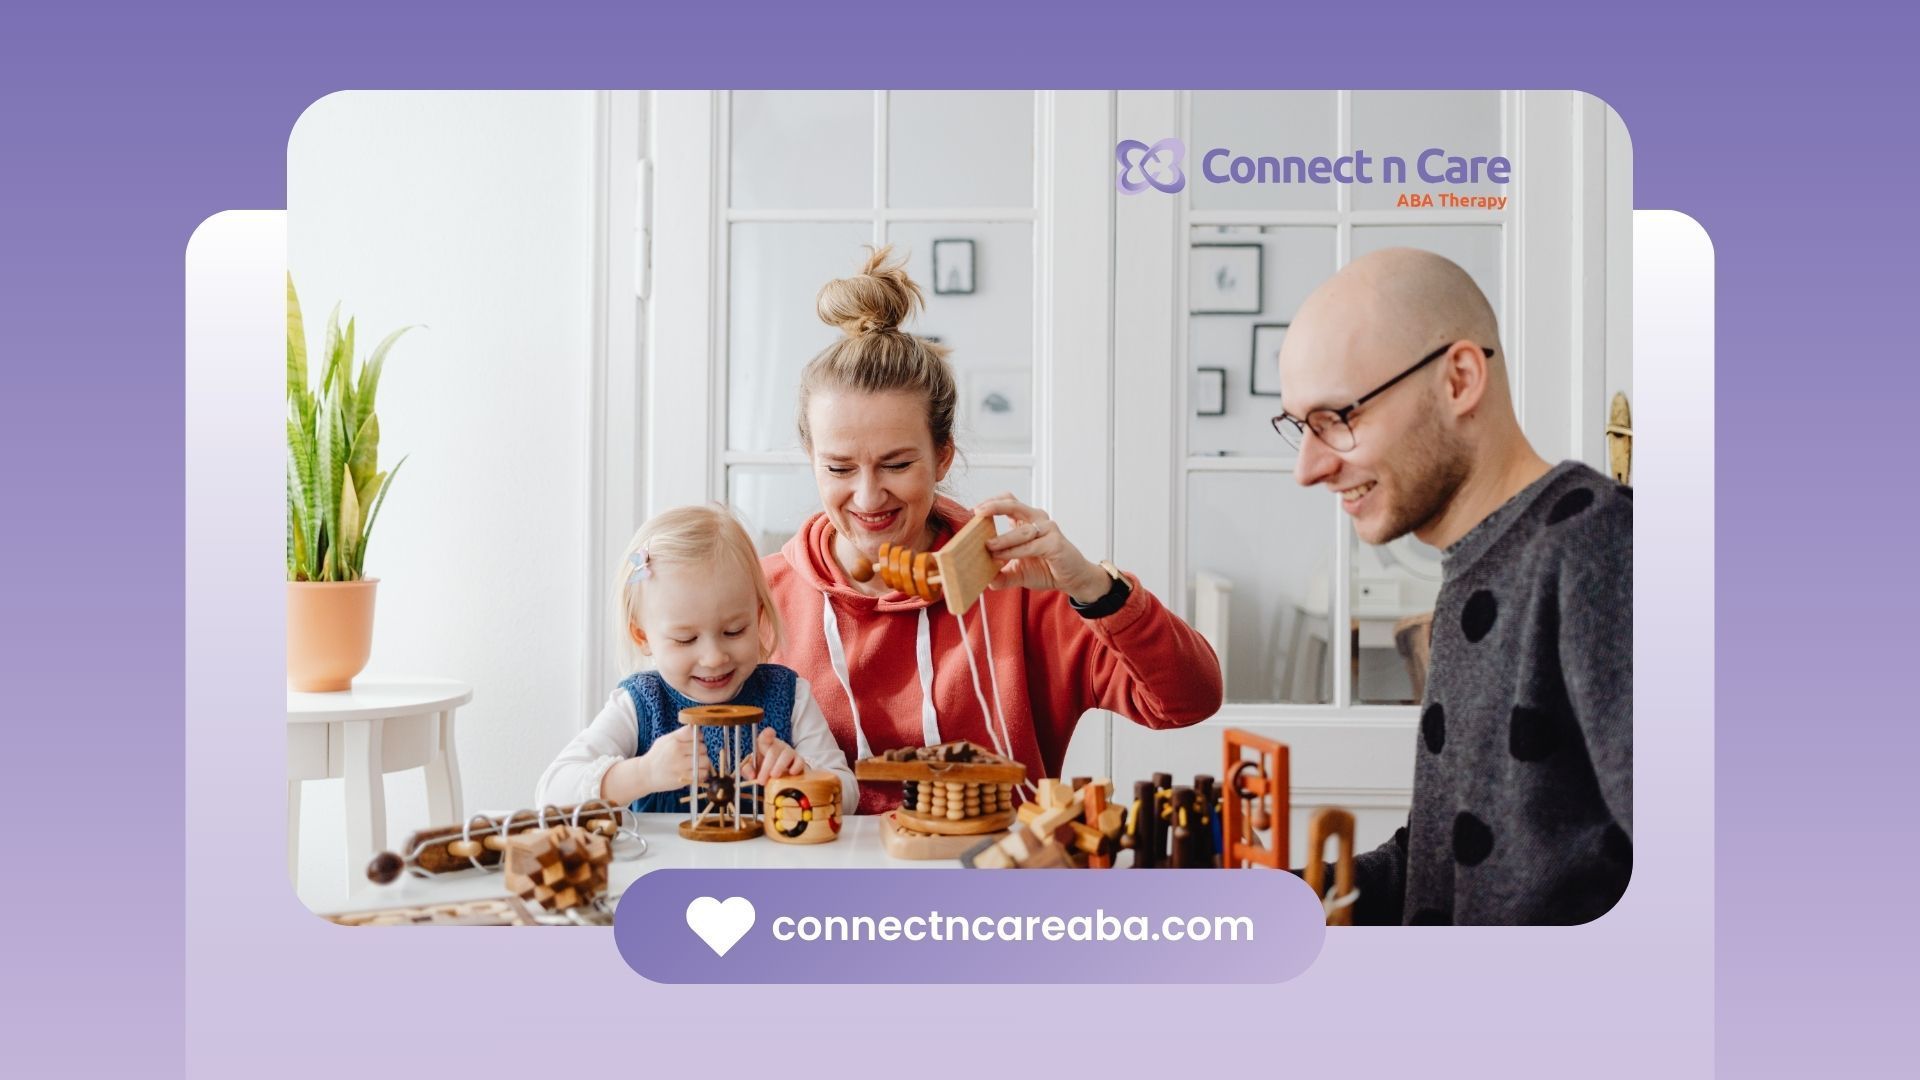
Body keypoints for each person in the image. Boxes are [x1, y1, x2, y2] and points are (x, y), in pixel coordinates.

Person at [763, 246, 1224, 814]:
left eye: (898, 464)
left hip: (997, 889)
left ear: (944, 457)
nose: (867, 496)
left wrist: (1091, 586)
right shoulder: (761, 598)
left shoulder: (1019, 588)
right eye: (838, 468)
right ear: (811, 457)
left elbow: (1188, 701)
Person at [1276, 247, 1631, 925]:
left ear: (1460, 379)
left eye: (1337, 418)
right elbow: (1435, 868)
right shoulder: (1480, 562)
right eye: (1300, 426)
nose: (1309, 467)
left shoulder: (1598, 546)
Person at [536, 505, 856, 813]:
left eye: (734, 631)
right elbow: (551, 794)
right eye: (685, 639)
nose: (714, 658)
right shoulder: (639, 705)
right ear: (643, 637)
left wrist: (803, 778)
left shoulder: (788, 695)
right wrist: (644, 773)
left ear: (758, 618)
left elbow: (849, 794)